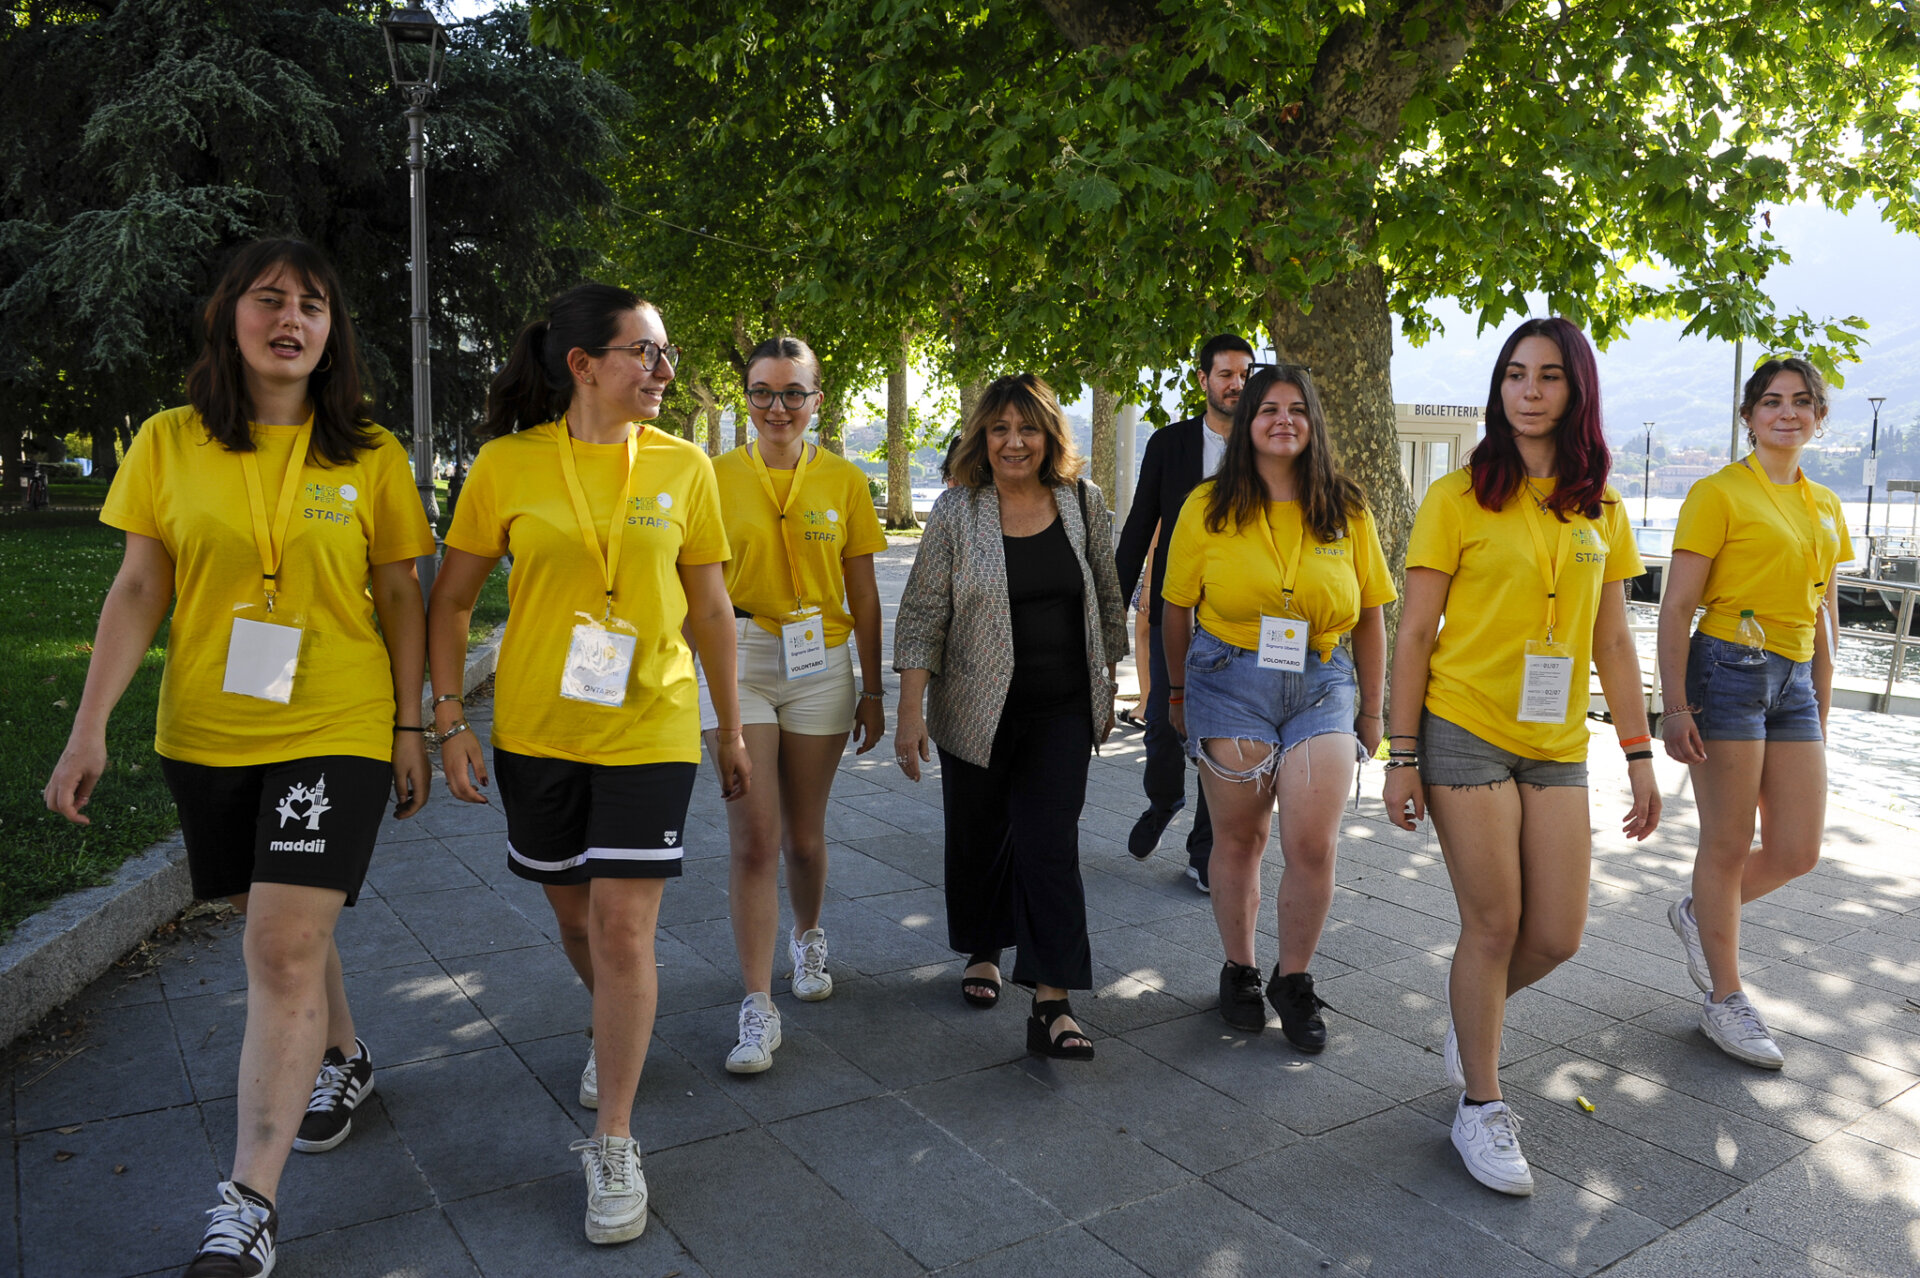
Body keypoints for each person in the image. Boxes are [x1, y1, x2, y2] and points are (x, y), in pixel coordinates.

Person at [43, 238, 435, 1278]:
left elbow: (401, 592)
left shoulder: (371, 453)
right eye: (269, 300)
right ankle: (343, 1057)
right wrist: (90, 727)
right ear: (230, 319)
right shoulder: (169, 443)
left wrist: (411, 724)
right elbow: (137, 588)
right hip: (208, 731)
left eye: (313, 302)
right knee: (279, 922)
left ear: (332, 333)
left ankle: (248, 1204)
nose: (290, 318)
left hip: (336, 723)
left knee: (281, 946)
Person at [427, 284, 748, 1245]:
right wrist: (448, 719)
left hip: (651, 725)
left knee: (622, 926)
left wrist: (729, 726)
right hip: (537, 730)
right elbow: (449, 604)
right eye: (645, 352)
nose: (662, 370)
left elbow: (712, 612)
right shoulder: (507, 466)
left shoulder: (687, 468)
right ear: (584, 364)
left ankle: (614, 1137)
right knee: (576, 919)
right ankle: (613, 1032)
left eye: (667, 354)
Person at [1383, 317, 1660, 1197]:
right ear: (1498, 390)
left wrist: (1641, 750)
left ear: (1575, 390)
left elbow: (1612, 638)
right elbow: (1415, 631)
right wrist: (1399, 752)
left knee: (1558, 935)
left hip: (1557, 743)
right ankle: (1481, 1104)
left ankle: (1474, 1021)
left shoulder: (1601, 505)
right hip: (1463, 726)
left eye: (1547, 376)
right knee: (1494, 926)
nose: (1529, 390)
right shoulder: (1459, 497)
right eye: (1513, 375)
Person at [1160, 365, 1395, 1051]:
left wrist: (1373, 712)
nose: (1283, 420)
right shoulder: (1206, 506)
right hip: (1228, 678)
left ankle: (1295, 981)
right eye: (1268, 409)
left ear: (1314, 422)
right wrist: (1175, 693)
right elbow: (1175, 609)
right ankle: (1240, 969)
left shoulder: (1346, 507)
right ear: (1246, 422)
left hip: (1323, 682)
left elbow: (1373, 615)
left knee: (1312, 842)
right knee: (1240, 840)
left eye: (1297, 409)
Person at [893, 373, 1127, 1058]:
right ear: (982, 438)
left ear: (1049, 437)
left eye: (1028, 429)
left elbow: (1107, 601)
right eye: (1000, 429)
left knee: (1049, 844)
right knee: (978, 835)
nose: (1014, 442)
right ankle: (982, 948)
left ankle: (1052, 1001)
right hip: (974, 706)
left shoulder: (1083, 502)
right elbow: (922, 615)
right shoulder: (957, 511)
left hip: (1060, 711)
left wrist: (1109, 681)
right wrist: (910, 710)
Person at [698, 336, 889, 1074]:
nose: (776, 408)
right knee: (754, 838)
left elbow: (865, 593)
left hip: (820, 663)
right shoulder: (711, 476)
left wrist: (874, 688)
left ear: (818, 400)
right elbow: (698, 589)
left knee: (804, 838)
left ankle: (807, 936)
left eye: (792, 394)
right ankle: (757, 1004)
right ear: (744, 396)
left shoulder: (843, 479)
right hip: (740, 655)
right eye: (761, 392)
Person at [1658, 357, 1849, 1070]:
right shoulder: (1718, 493)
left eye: (1802, 402)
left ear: (1819, 418)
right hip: (1726, 668)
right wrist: (1672, 708)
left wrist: (1821, 710)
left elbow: (1824, 616)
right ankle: (1725, 998)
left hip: (1794, 679)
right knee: (1729, 842)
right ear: (1749, 416)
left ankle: (1698, 912)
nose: (1787, 413)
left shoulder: (1826, 505)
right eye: (1771, 402)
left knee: (1799, 849)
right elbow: (1677, 606)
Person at [1114, 334, 1256, 890]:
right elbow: (1138, 528)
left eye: (1246, 374)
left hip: (1236, 624)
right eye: (1225, 374)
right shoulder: (1169, 445)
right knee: (1161, 731)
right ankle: (1163, 799)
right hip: (1174, 611)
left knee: (1219, 741)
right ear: (1203, 380)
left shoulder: (1267, 445)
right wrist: (1108, 612)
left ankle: (1204, 852)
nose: (1236, 384)